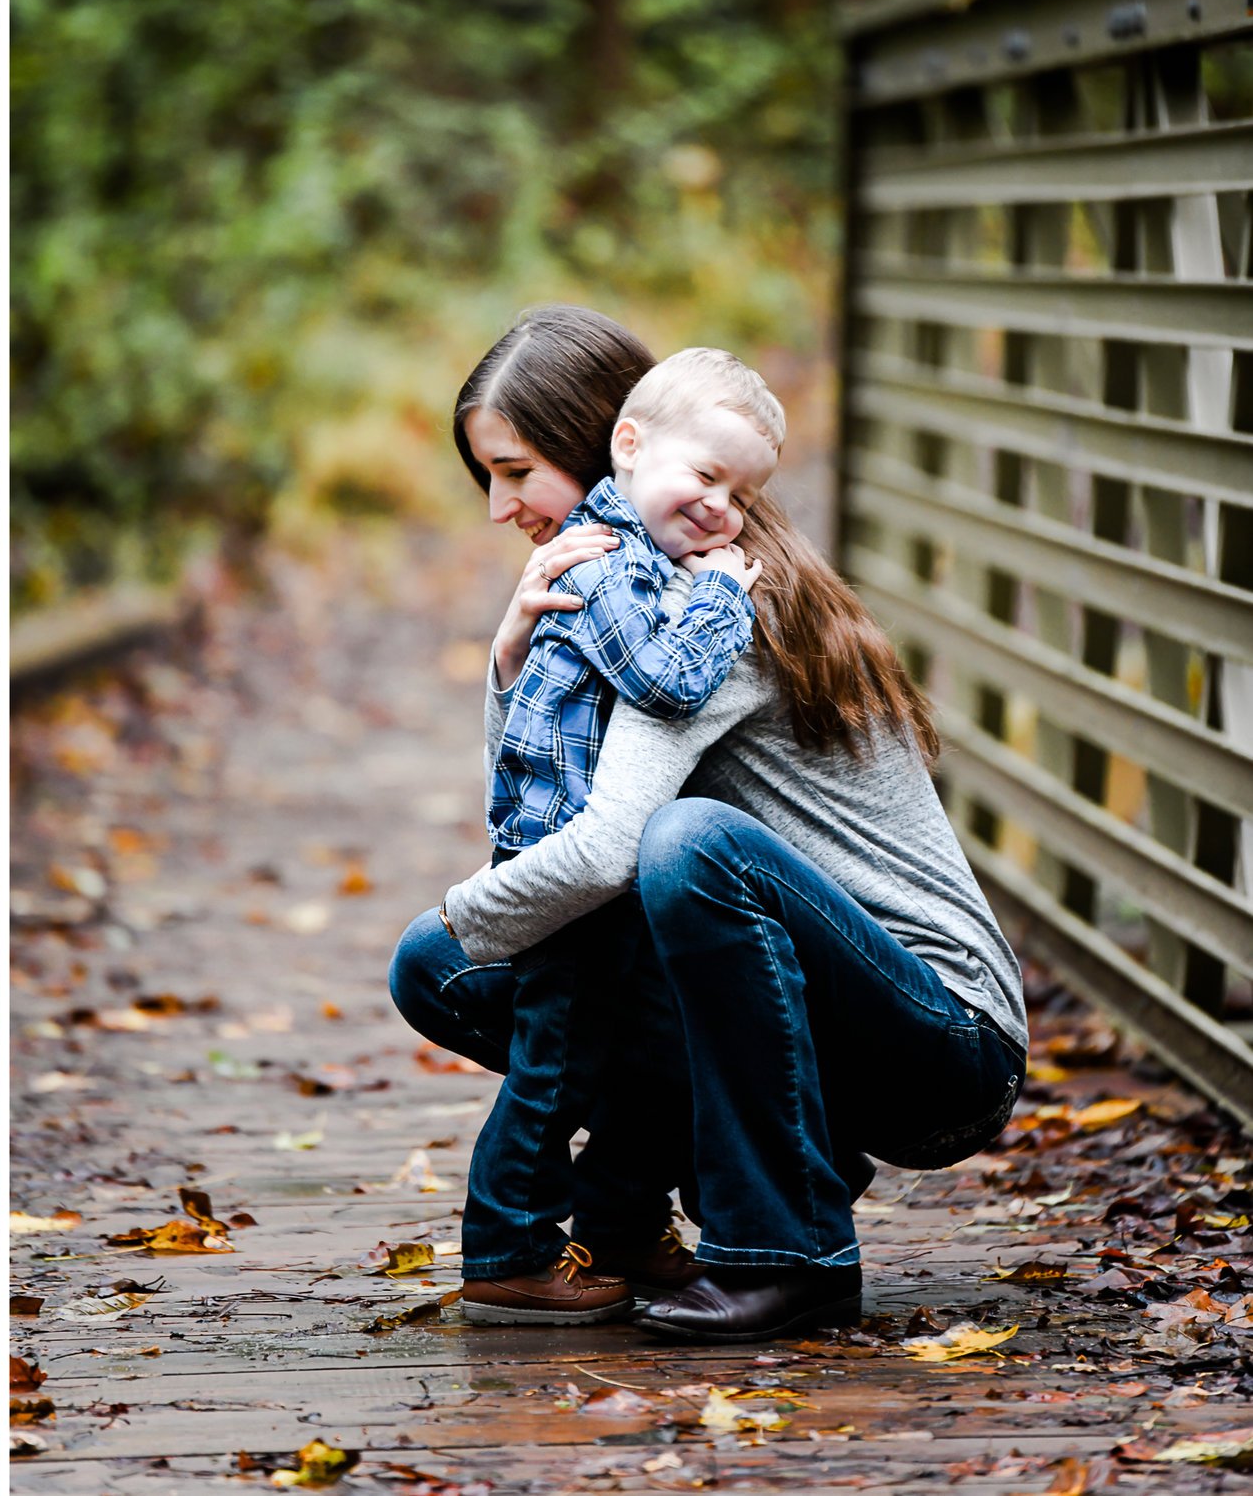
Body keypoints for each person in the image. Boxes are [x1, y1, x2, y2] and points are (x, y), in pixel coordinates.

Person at [389, 304, 1027, 1343]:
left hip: (941, 1043)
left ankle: (789, 1252)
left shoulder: (702, 612)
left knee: (682, 852)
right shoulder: (625, 597)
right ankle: (659, 1211)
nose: (500, 508)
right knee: (458, 958)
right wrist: (510, 666)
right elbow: (544, 820)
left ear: (611, 447)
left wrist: (465, 917)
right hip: (822, 1018)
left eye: (514, 472)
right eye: (487, 479)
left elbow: (596, 851)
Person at [457, 346, 780, 1324]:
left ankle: (618, 1224)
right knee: (557, 1062)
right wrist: (725, 592)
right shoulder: (612, 562)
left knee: (634, 1047)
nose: (723, 510)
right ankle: (506, 1249)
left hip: (615, 873)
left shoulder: (629, 551)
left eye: (513, 472)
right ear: (628, 450)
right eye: (706, 480)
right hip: (580, 873)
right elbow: (665, 682)